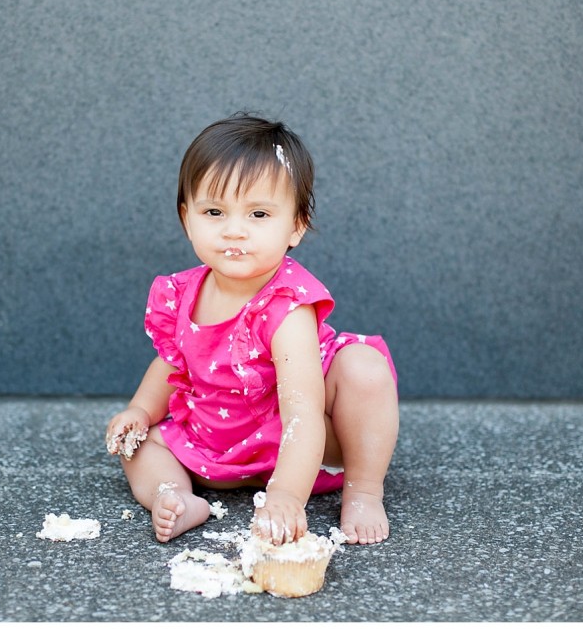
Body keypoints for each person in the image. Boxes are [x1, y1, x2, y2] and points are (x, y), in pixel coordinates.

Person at [106, 114, 399, 546]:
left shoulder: (286, 307)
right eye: (214, 212)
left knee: (364, 369)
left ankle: (364, 490)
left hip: (292, 436)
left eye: (259, 213)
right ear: (188, 218)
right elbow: (172, 362)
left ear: (295, 225)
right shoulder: (184, 291)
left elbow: (302, 415)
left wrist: (285, 495)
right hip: (214, 439)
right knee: (138, 447)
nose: (234, 230)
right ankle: (175, 496)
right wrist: (140, 411)